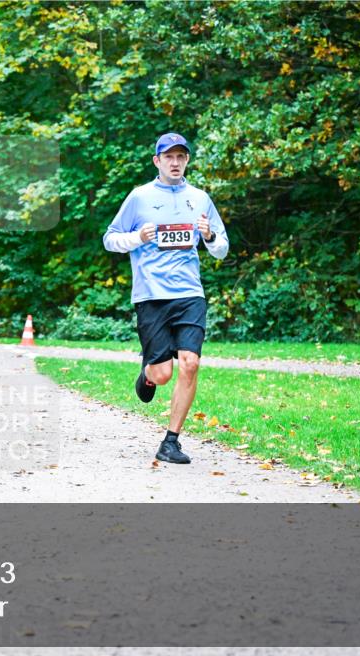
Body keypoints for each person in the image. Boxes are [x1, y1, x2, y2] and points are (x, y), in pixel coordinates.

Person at [103, 132, 229, 464]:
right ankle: (147, 374)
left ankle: (170, 441)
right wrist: (136, 237)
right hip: (151, 295)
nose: (175, 163)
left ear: (187, 160)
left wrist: (210, 235)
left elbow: (222, 248)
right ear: (157, 161)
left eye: (181, 157)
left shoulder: (200, 198)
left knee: (190, 363)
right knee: (162, 374)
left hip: (189, 293)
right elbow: (110, 239)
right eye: (168, 157)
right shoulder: (139, 197)